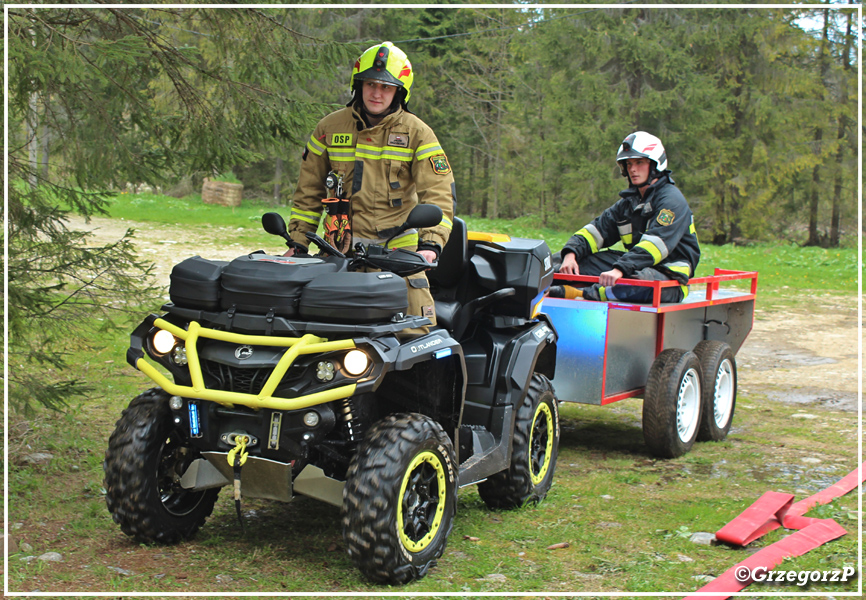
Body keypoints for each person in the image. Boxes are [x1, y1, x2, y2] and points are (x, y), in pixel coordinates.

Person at [285, 41, 455, 335]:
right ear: (358, 85)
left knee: (416, 337)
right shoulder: (329, 128)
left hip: (398, 258)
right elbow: (308, 192)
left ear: (399, 91)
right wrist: (297, 242)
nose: (377, 93)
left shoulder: (418, 133)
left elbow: (438, 195)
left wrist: (430, 246)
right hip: (337, 254)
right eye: (370, 84)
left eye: (386, 87)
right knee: (317, 335)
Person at [550, 131, 700, 304]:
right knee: (558, 266)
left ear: (655, 164)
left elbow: (654, 247)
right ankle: (537, 286)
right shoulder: (629, 203)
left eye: (639, 162)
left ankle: (576, 293)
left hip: (669, 279)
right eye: (628, 164)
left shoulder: (672, 201)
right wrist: (570, 254)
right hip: (635, 266)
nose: (632, 169)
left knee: (633, 284)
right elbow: (594, 231)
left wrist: (620, 269)